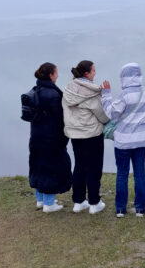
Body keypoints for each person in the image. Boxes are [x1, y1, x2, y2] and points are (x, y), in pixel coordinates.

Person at [101, 63, 145, 217]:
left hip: (123, 142)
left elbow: (111, 113)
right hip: (141, 140)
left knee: (122, 174)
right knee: (139, 173)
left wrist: (106, 95)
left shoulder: (124, 96)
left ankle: (121, 209)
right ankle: (140, 209)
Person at [62, 60, 109, 214]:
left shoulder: (68, 89)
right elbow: (102, 116)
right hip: (92, 134)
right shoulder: (92, 92)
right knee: (94, 168)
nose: (95, 73)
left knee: (79, 166)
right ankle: (94, 203)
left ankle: (78, 201)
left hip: (75, 134)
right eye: (93, 71)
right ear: (86, 73)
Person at [28, 62, 72, 213]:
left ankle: (40, 200)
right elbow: (60, 118)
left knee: (38, 166)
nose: (58, 75)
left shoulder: (35, 90)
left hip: (36, 136)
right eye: (56, 72)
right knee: (51, 168)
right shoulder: (52, 94)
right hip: (51, 138)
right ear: (51, 75)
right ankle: (49, 204)